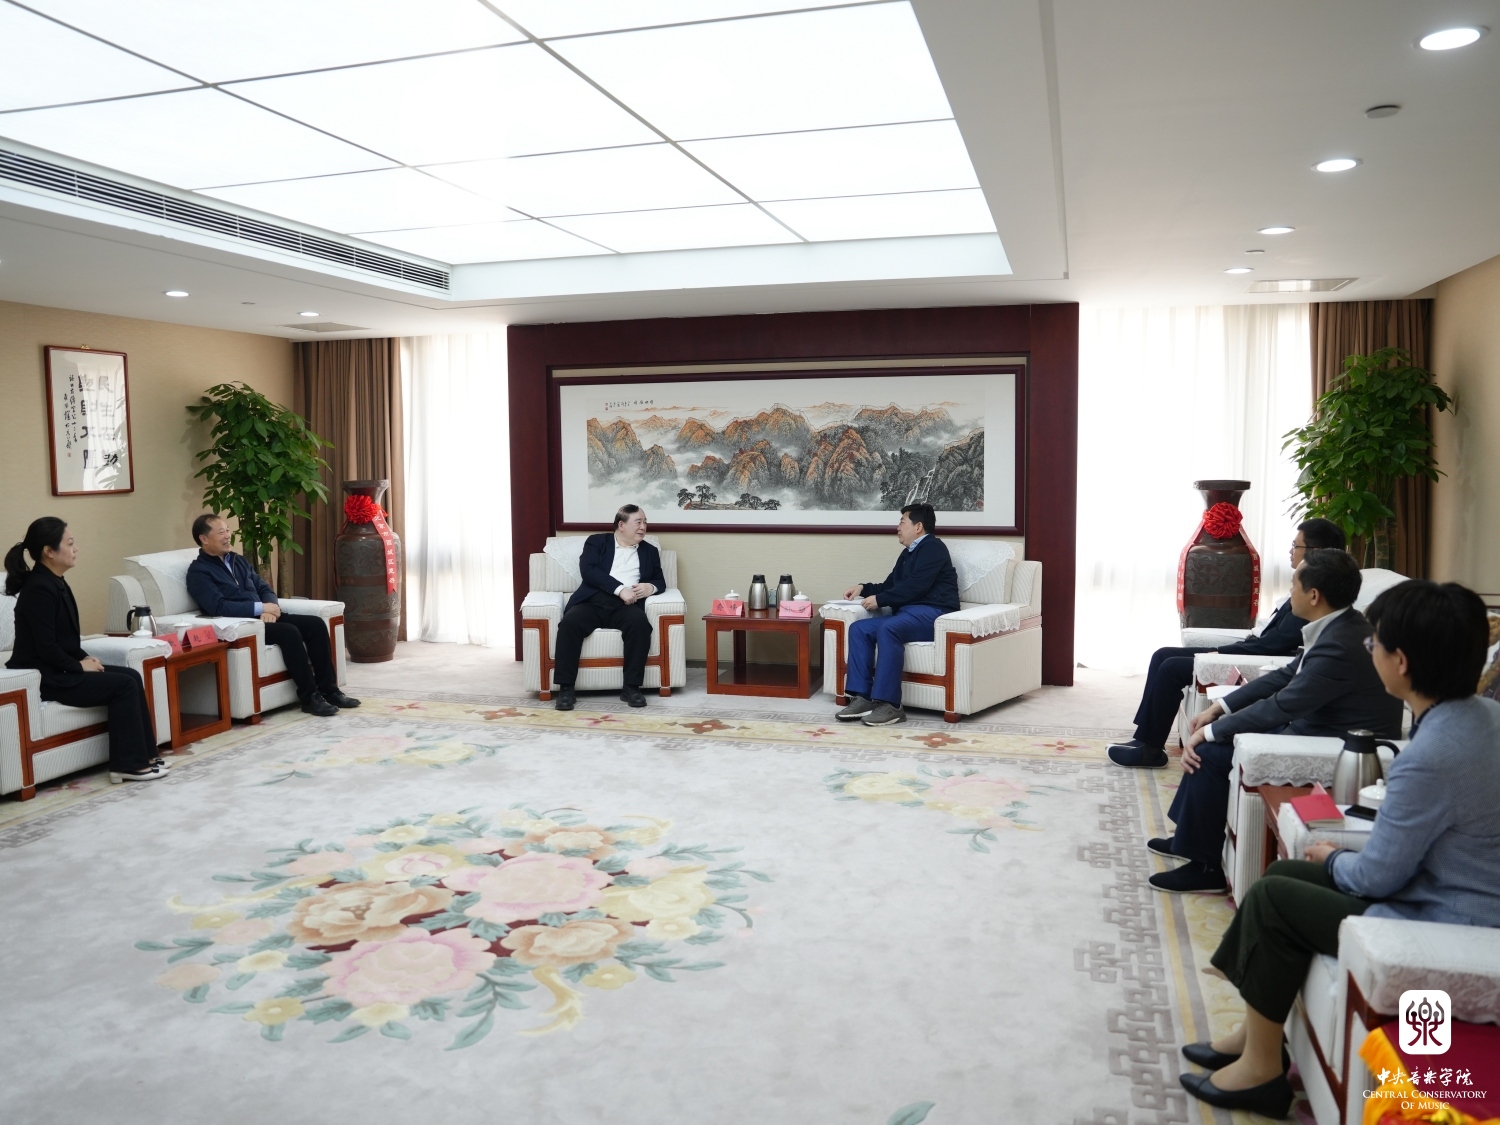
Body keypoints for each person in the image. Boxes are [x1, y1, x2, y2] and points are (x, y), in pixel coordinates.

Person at [1178, 579, 1500, 1118]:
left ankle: (1261, 1072)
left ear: (1401, 662)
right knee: (1283, 878)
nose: (1369, 650)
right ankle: (1256, 1038)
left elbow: (1377, 877)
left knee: (1276, 899)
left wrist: (1332, 858)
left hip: (1448, 914)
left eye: (1374, 643)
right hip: (1452, 890)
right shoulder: (1483, 718)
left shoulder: (1431, 755)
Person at [1136, 549, 1403, 894]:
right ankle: (1188, 839)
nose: (1289, 591)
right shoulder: (1341, 625)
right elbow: (1285, 676)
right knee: (1215, 740)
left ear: (1314, 595)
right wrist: (1221, 708)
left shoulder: (1340, 643)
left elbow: (1284, 705)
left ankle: (1205, 867)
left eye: (1294, 584)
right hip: (1318, 724)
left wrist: (1211, 730)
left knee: (1211, 751)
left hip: (1336, 742)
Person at [1108, 518, 1347, 767]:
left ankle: (1150, 751)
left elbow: (1272, 646)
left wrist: (1221, 652)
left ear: (1315, 551)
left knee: (1171, 667)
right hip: (1251, 650)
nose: (1290, 551)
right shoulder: (1306, 586)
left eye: (1295, 546)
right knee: (1162, 655)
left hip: (1257, 658)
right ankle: (1144, 739)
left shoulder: (1315, 597)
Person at [5, 517, 167, 783]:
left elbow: (65, 640)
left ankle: (145, 756)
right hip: (43, 676)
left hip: (58, 668)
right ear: (49, 551)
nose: (76, 548)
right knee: (123, 685)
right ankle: (127, 765)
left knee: (131, 676)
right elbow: (46, 647)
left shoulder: (55, 581)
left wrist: (84, 657)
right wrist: (78, 666)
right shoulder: (38, 589)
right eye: (69, 543)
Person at [185, 514, 358, 718]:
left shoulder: (238, 561)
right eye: (221, 532)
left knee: (315, 624)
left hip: (265, 616)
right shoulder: (198, 572)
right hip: (244, 625)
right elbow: (218, 607)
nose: (227, 536)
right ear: (204, 539)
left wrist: (271, 608)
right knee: (289, 632)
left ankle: (330, 690)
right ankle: (309, 697)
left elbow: (263, 587)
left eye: (228, 530)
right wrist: (260, 609)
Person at [835, 503, 961, 727]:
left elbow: (916, 587)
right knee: (859, 629)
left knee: (888, 627)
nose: (898, 527)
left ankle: (890, 705)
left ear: (918, 527)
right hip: (908, 614)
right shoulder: (907, 554)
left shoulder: (933, 548)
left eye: (902, 522)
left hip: (935, 613)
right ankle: (863, 698)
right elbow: (890, 586)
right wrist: (863, 588)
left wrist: (881, 600)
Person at [553, 504, 666, 712]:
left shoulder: (650, 551)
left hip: (626, 606)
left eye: (645, 522)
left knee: (640, 625)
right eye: (638, 522)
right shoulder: (597, 542)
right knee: (570, 623)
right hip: (591, 601)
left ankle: (631, 687)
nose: (643, 527)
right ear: (621, 525)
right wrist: (620, 589)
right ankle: (566, 688)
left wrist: (650, 587)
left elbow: (660, 580)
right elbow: (589, 571)